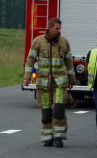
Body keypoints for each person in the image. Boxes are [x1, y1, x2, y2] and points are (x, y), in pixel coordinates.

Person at [23, 18, 75, 148]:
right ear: (50, 28)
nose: (59, 31)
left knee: (58, 110)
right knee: (46, 111)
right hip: (44, 83)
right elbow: (30, 60)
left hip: (59, 83)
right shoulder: (38, 41)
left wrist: (72, 78)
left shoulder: (64, 42)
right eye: (56, 28)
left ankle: (59, 138)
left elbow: (69, 61)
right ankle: (47, 137)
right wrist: (27, 77)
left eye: (60, 28)